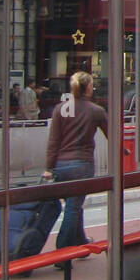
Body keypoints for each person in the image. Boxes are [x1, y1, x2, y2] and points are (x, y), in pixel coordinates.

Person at [41, 71, 108, 249]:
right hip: (82, 164)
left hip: (61, 165)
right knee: (73, 206)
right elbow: (112, 135)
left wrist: (49, 167)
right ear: (88, 88)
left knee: (74, 203)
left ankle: (80, 239)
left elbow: (53, 141)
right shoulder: (96, 111)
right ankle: (62, 251)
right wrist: (123, 150)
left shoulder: (61, 108)